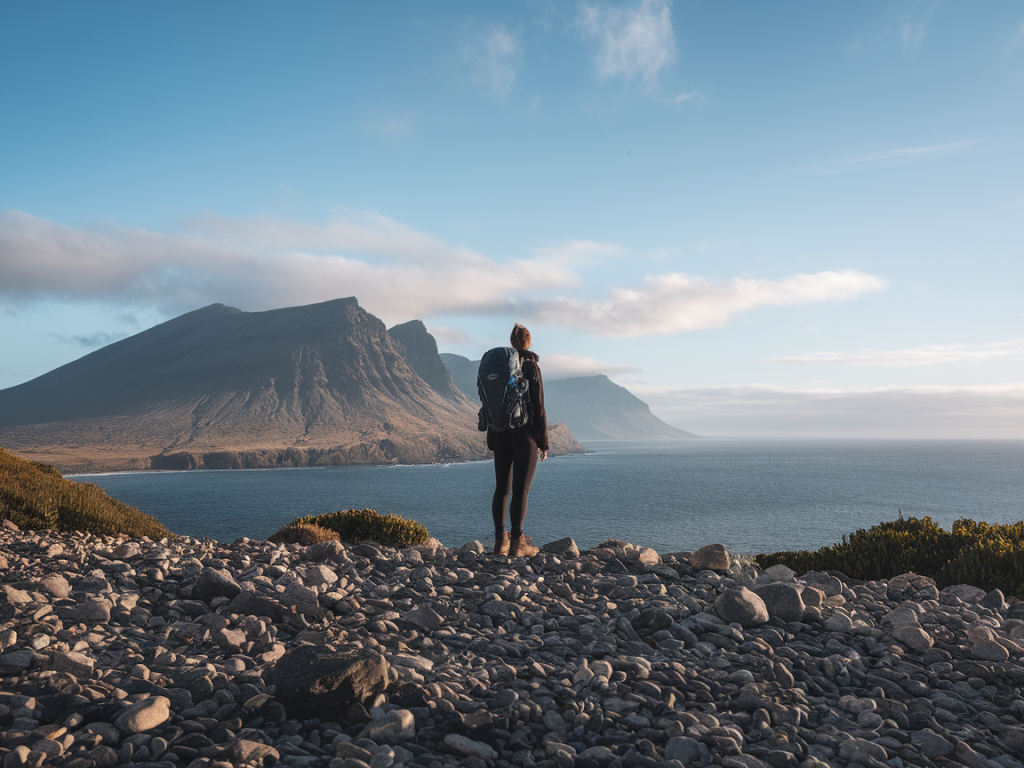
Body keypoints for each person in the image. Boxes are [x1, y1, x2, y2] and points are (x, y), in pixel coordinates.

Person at [489, 323, 548, 557]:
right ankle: (516, 543)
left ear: (512, 341)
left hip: (500, 432)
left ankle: (498, 542)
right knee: (520, 491)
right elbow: (539, 405)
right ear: (529, 341)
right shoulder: (531, 365)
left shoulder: (501, 365)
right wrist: (543, 441)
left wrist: (492, 435)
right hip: (524, 435)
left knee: (501, 488)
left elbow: (491, 402)